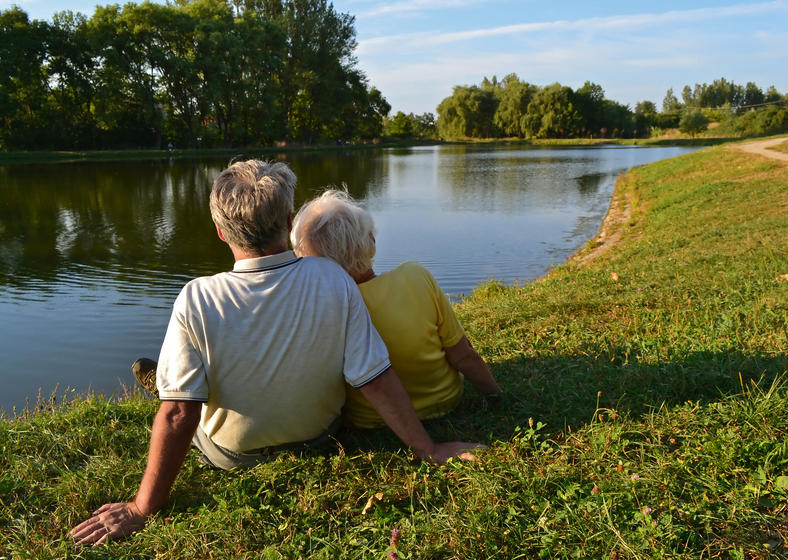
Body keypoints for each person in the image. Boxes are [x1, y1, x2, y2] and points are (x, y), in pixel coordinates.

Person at [70, 160, 480, 547]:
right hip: (319, 438)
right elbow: (375, 377)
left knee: (178, 399)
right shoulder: (333, 279)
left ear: (220, 232)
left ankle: (168, 381)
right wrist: (428, 449)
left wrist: (141, 508)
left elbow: (180, 415)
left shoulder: (197, 297)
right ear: (288, 222)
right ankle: (169, 379)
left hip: (232, 456)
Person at [290, 189, 501, 429]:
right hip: (444, 401)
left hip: (370, 420)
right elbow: (462, 354)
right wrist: (495, 395)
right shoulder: (415, 277)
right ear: (371, 240)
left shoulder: (325, 308)